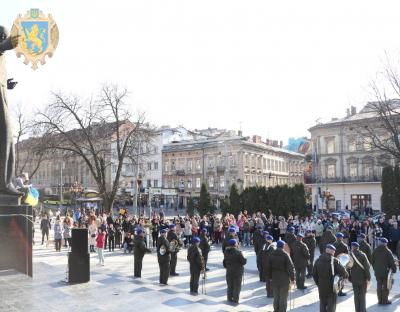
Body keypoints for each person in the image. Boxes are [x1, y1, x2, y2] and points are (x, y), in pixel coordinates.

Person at [313, 244, 348, 312]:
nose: (334, 253)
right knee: (331, 305)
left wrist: (319, 283)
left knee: (322, 304)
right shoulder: (335, 261)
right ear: (332, 251)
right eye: (334, 251)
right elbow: (344, 272)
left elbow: (314, 274)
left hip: (321, 286)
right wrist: (345, 276)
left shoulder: (318, 260)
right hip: (331, 287)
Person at [267, 240, 295, 312]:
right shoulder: (285, 255)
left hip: (274, 278)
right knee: (283, 297)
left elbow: (268, 267)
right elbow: (290, 268)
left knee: (276, 296)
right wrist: (293, 279)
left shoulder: (271, 254)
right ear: (283, 246)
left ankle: (276, 310)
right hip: (284, 279)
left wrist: (270, 277)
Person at [371, 237, 397, 305]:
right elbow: (392, 262)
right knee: (386, 287)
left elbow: (372, 261)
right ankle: (385, 301)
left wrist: (375, 268)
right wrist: (394, 270)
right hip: (386, 272)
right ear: (385, 244)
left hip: (377, 272)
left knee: (379, 286)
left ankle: (380, 300)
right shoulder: (388, 251)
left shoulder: (375, 250)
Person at [223, 239, 247, 304]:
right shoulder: (238, 252)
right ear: (235, 244)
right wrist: (245, 259)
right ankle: (235, 299)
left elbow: (224, 261)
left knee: (230, 285)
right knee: (237, 286)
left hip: (229, 271)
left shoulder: (226, 251)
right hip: (237, 272)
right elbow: (243, 262)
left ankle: (229, 298)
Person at [348, 242, 370, 312]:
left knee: (356, 295)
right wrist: (368, 277)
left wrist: (349, 278)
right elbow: (367, 267)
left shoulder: (350, 255)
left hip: (354, 278)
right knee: (362, 295)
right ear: (358, 247)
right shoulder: (363, 255)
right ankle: (363, 310)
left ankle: (357, 310)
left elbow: (347, 268)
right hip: (362, 278)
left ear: (352, 247)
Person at [333, 232, 348, 296]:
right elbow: (347, 256)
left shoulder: (333, 244)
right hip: (342, 264)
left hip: (334, 263)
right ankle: (340, 291)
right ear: (342, 238)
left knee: (334, 277)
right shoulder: (344, 246)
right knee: (341, 278)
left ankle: (333, 290)